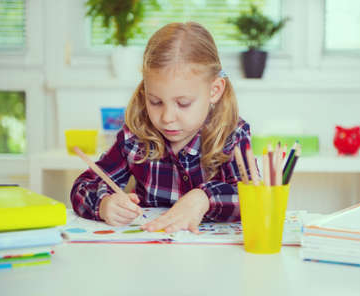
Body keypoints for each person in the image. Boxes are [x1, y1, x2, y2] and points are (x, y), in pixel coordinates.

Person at [70, 22, 253, 234]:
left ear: (214, 90)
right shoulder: (135, 136)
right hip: (151, 252)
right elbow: (82, 186)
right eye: (155, 102)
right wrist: (103, 204)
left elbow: (253, 197)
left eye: (183, 103)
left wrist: (203, 199)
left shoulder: (231, 134)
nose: (166, 118)